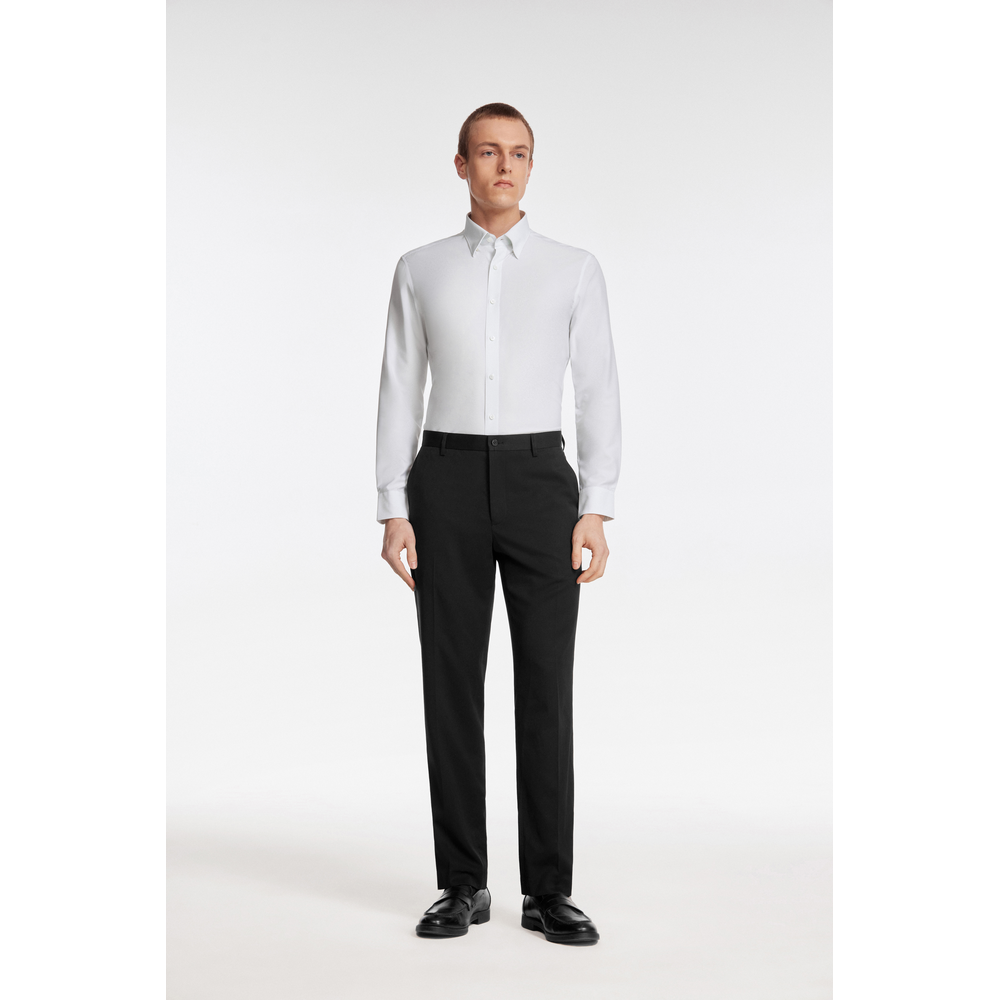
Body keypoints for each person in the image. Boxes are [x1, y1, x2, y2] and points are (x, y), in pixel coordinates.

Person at [375, 102, 621, 946]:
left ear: (531, 165)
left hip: (539, 480)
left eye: (518, 153)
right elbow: (399, 385)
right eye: (487, 152)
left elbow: (597, 387)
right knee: (451, 684)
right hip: (442, 478)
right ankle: (462, 883)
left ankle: (549, 890)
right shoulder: (420, 268)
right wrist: (393, 506)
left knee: (546, 685)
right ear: (461, 165)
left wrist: (595, 505)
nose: (504, 166)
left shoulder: (573, 269)